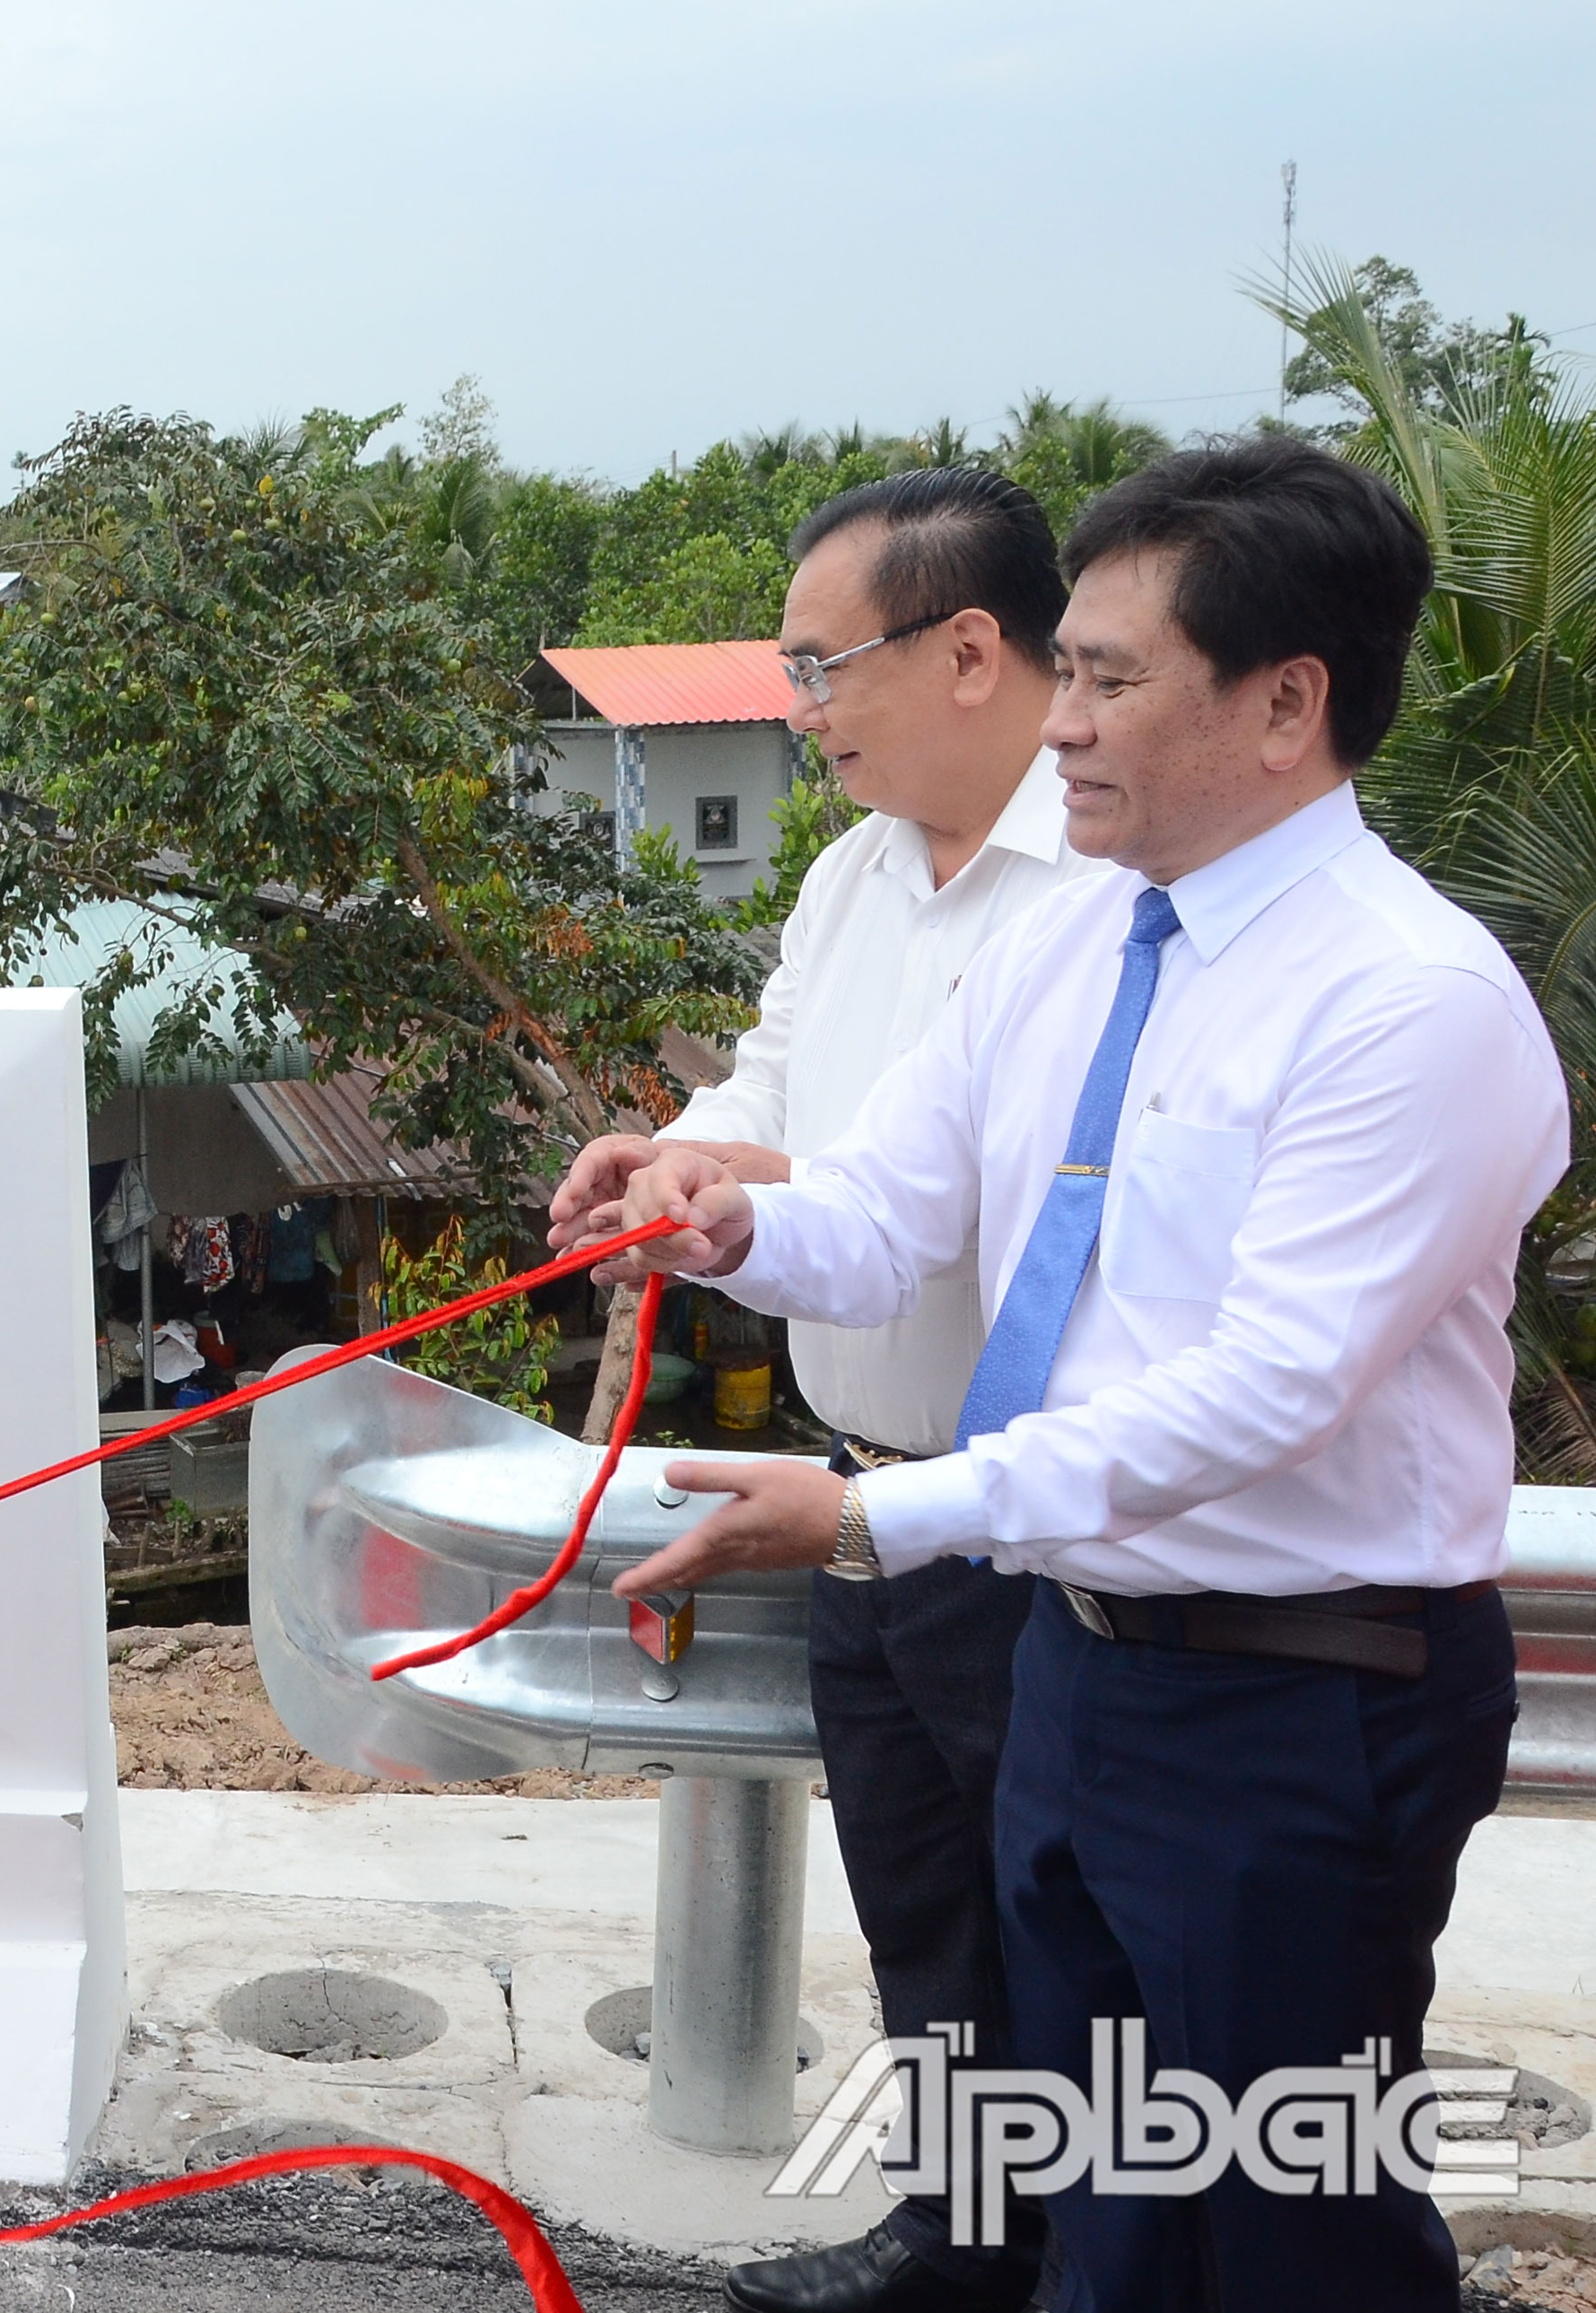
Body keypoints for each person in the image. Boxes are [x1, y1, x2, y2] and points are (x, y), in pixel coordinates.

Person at [577, 439, 1557, 2312]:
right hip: (1083, 1657)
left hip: (1301, 1694)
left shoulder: (1405, 1003)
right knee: (1099, 2212)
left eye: (1109, 679)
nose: (1068, 723)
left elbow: (1267, 1390)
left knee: (1292, 2226)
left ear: (1288, 703)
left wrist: (877, 1513)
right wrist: (722, 1226)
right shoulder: (1078, 943)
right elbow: (884, 1201)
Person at [546, 467, 1096, 2313]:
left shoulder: (1107, 898)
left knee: (1072, 1928)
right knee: (927, 1908)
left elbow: (931, 1206)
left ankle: (1092, 2253)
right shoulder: (856, 874)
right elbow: (776, 1095)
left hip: (1030, 1516)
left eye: (818, 662)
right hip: (852, 1489)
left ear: (965, 649)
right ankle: (962, 2236)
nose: (800, 708)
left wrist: (729, 1204)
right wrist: (679, 1152)